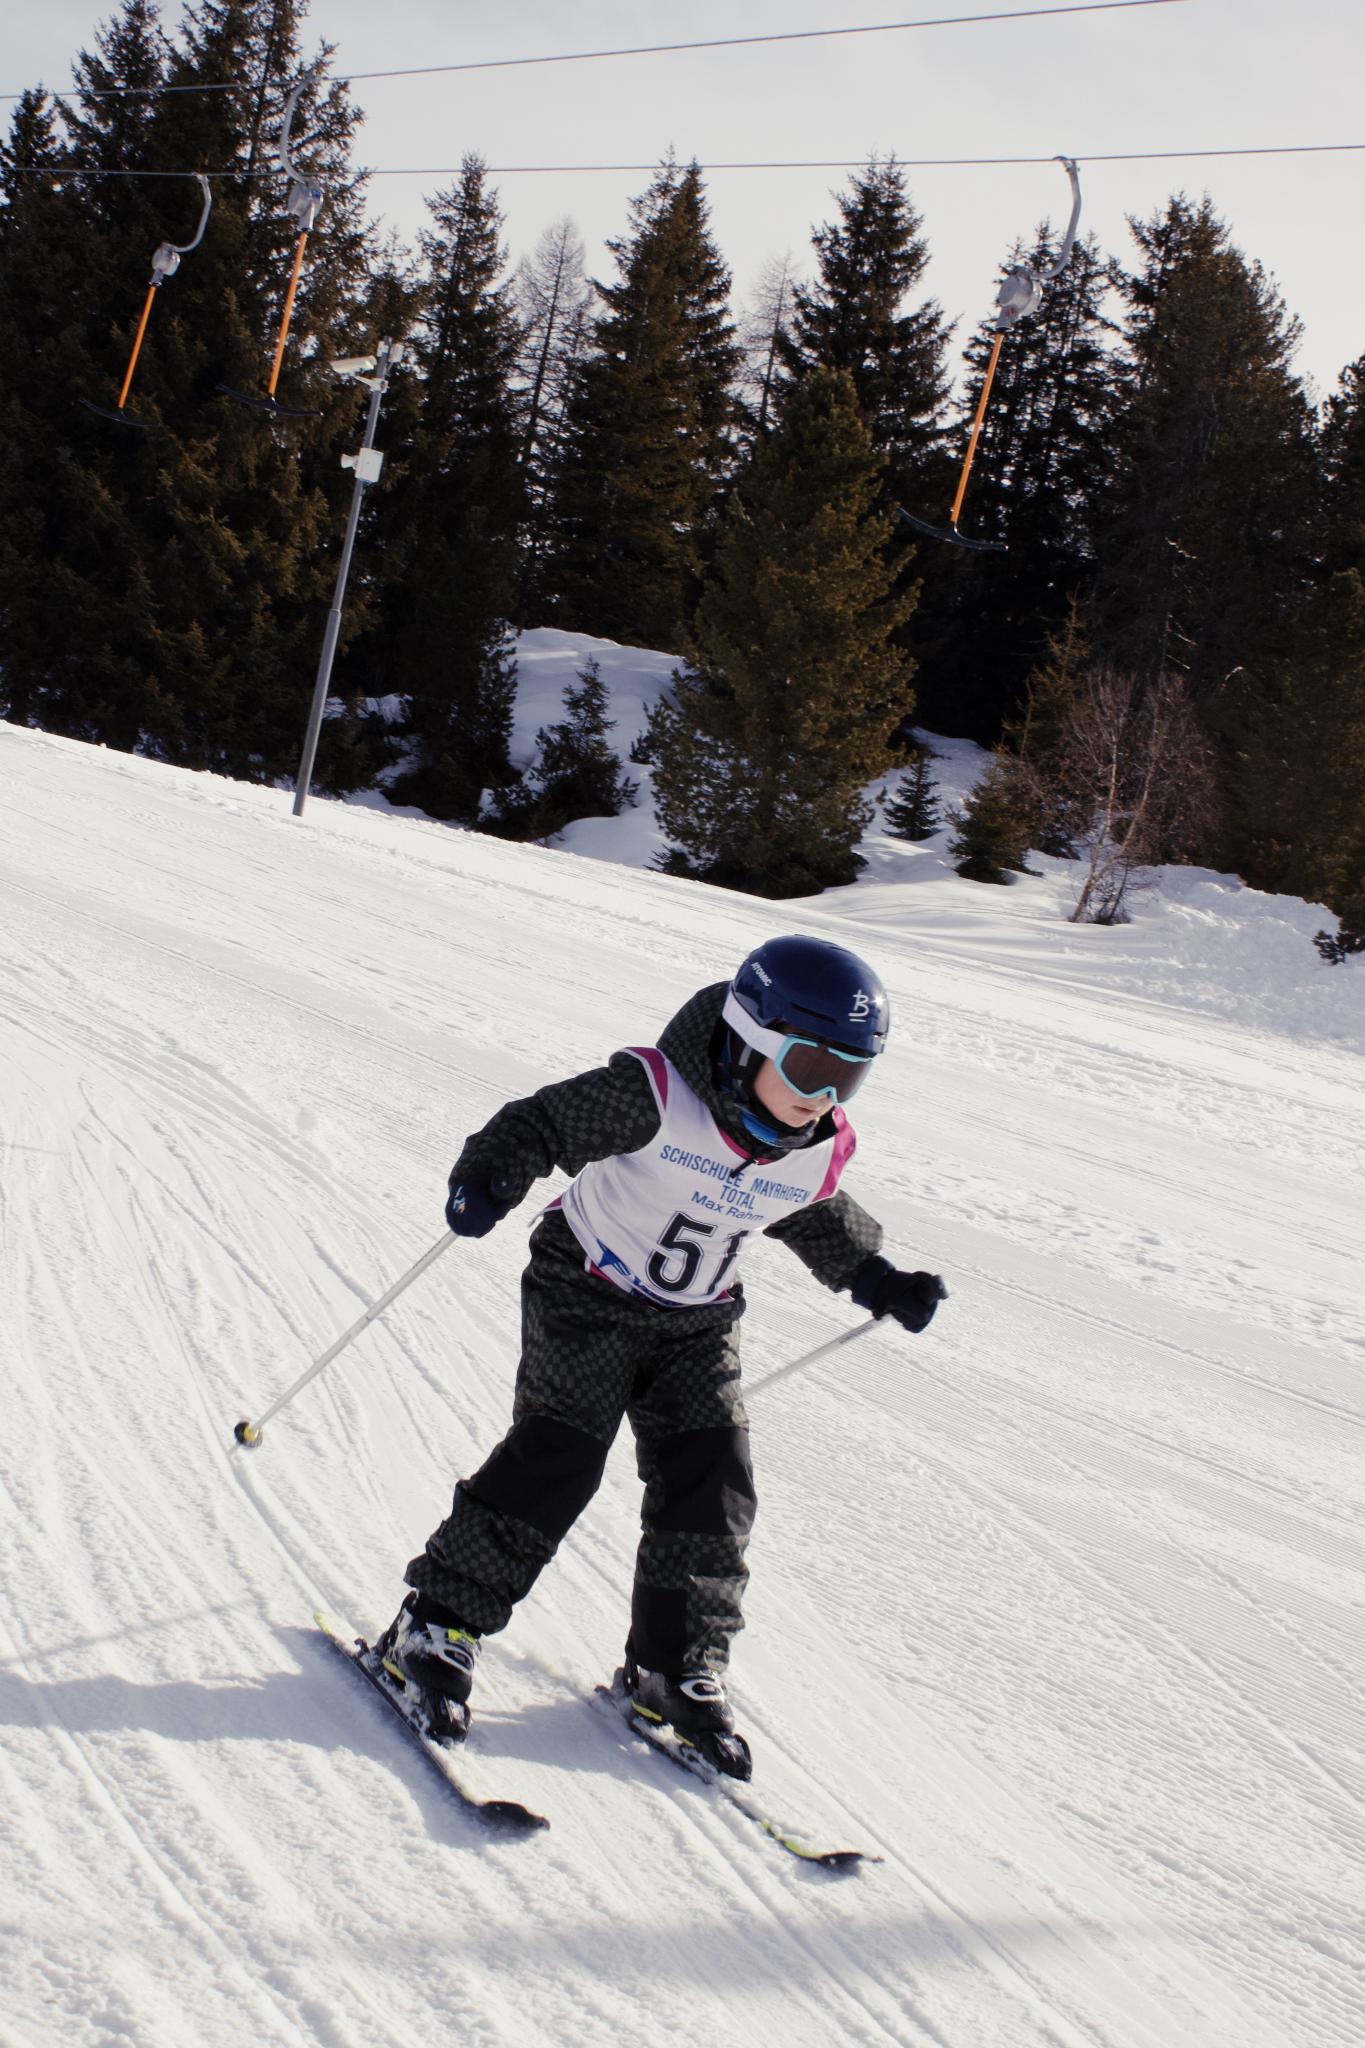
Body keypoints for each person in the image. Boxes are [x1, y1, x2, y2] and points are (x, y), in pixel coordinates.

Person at [376, 934, 946, 1774]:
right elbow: (542, 1122)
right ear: (749, 1040)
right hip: (586, 1288)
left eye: (847, 1076)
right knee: (561, 1455)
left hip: (697, 1321)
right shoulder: (654, 1097)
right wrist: (491, 1174)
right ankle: (435, 1624)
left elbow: (805, 1208)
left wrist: (873, 1273)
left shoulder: (813, 1144)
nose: (822, 1097)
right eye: (807, 1068)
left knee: (712, 1481)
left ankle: (674, 1667)